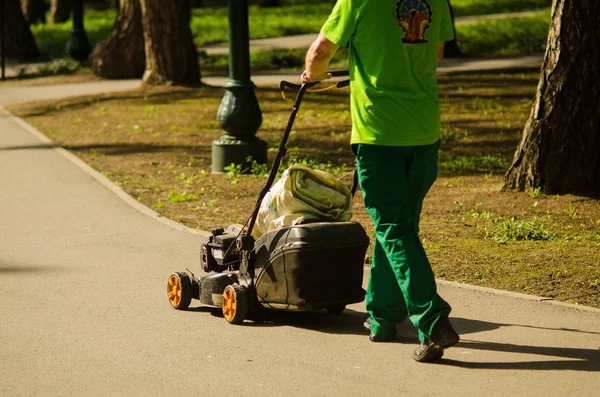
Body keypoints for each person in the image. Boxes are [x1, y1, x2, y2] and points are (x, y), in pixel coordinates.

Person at [301, 0, 459, 362]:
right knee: (400, 227)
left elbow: (320, 51)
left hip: (378, 132)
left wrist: (313, 76)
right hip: (423, 131)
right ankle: (384, 316)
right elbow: (436, 53)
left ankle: (433, 320)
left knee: (393, 227)